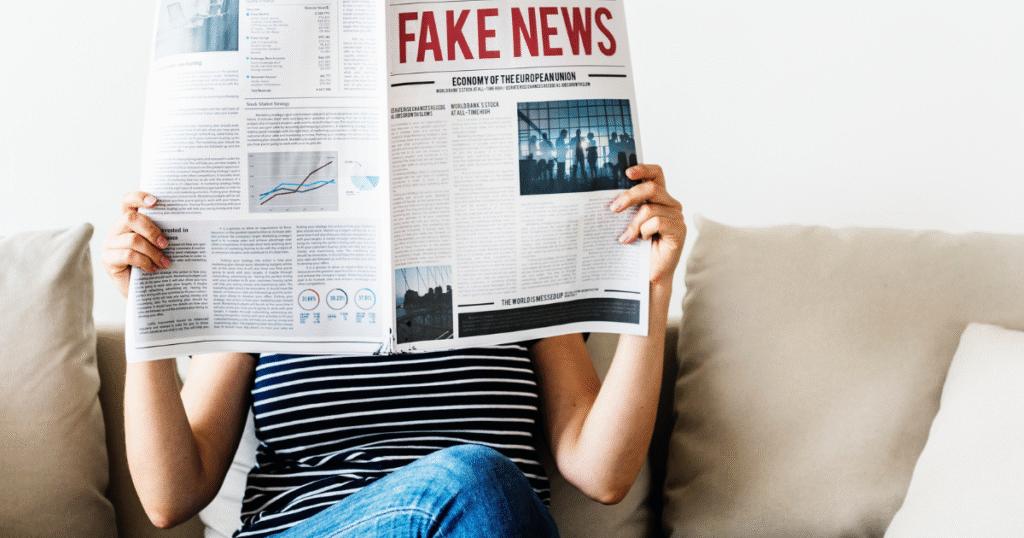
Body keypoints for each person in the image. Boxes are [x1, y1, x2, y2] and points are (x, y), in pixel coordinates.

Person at [101, 163, 685, 537]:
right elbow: (169, 496)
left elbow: (603, 473)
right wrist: (145, 313)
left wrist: (653, 290)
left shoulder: (516, 260)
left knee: (477, 484)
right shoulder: (272, 259)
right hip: (310, 529)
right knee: (474, 477)